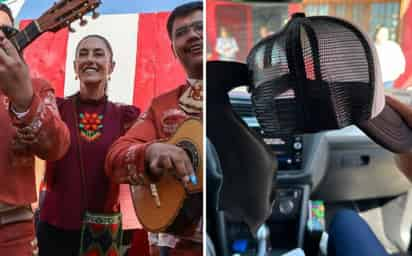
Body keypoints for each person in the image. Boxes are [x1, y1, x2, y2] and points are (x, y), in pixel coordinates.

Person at [105, 1, 203, 255]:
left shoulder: (247, 95)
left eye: (200, 27)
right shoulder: (161, 107)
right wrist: (150, 153)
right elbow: (115, 158)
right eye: (181, 33)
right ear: (173, 50)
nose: (192, 35)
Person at [36, 34, 140, 256]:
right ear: (75, 67)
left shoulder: (126, 116)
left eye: (98, 54)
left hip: (103, 232)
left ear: (111, 67)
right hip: (55, 228)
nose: (90, 59)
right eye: (83, 54)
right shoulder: (56, 109)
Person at [0, 3, 70, 255]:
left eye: (5, 32)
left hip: (11, 231)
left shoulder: (37, 88)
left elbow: (58, 145)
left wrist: (25, 100)